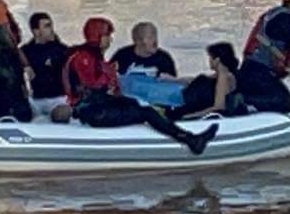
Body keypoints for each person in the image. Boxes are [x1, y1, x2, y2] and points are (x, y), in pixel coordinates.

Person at [64, 16, 217, 153]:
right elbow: (93, 88)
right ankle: (191, 140)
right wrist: (112, 78)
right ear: (97, 36)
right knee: (145, 112)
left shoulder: (94, 56)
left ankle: (188, 135)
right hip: (92, 111)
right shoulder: (84, 58)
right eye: (107, 36)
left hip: (99, 104)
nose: (110, 40)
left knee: (142, 105)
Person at [171, 43, 247, 122]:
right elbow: (192, 80)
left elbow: (219, 107)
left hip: (191, 110)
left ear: (217, 60)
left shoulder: (224, 77)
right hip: (185, 102)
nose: (209, 60)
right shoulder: (218, 75)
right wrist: (173, 80)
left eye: (210, 57)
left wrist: (190, 116)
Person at [21, 12, 70, 118]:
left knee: (62, 114)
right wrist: (26, 66)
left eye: (51, 25)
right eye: (47, 26)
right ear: (36, 31)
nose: (51, 29)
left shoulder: (62, 50)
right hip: (35, 100)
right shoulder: (25, 51)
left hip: (57, 99)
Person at [110, 22, 178, 77]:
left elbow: (172, 84)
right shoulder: (122, 56)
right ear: (137, 40)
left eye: (155, 37)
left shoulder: (164, 58)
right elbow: (107, 77)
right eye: (150, 38)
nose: (155, 42)